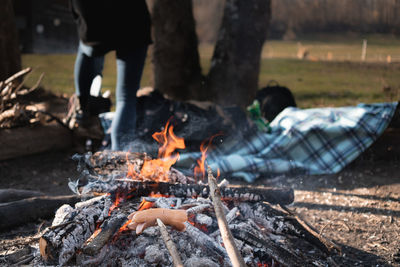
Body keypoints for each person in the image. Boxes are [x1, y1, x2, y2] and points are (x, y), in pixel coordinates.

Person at [70, 0, 152, 150]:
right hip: (131, 18)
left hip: (93, 17)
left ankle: (82, 111)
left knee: (87, 50)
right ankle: (119, 153)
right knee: (126, 98)